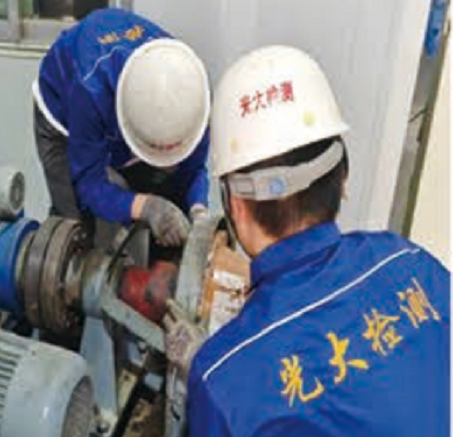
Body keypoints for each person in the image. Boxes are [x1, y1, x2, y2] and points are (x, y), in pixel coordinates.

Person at [163, 45, 450, 436]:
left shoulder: (223, 383)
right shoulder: (409, 260)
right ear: (343, 178)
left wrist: (216, 374)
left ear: (236, 207)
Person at [32, 8, 211, 249]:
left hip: (126, 116)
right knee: (74, 232)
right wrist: (147, 206)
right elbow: (89, 184)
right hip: (62, 116)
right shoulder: (91, 89)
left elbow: (193, 170)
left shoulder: (191, 94)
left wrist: (199, 213)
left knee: (169, 215)